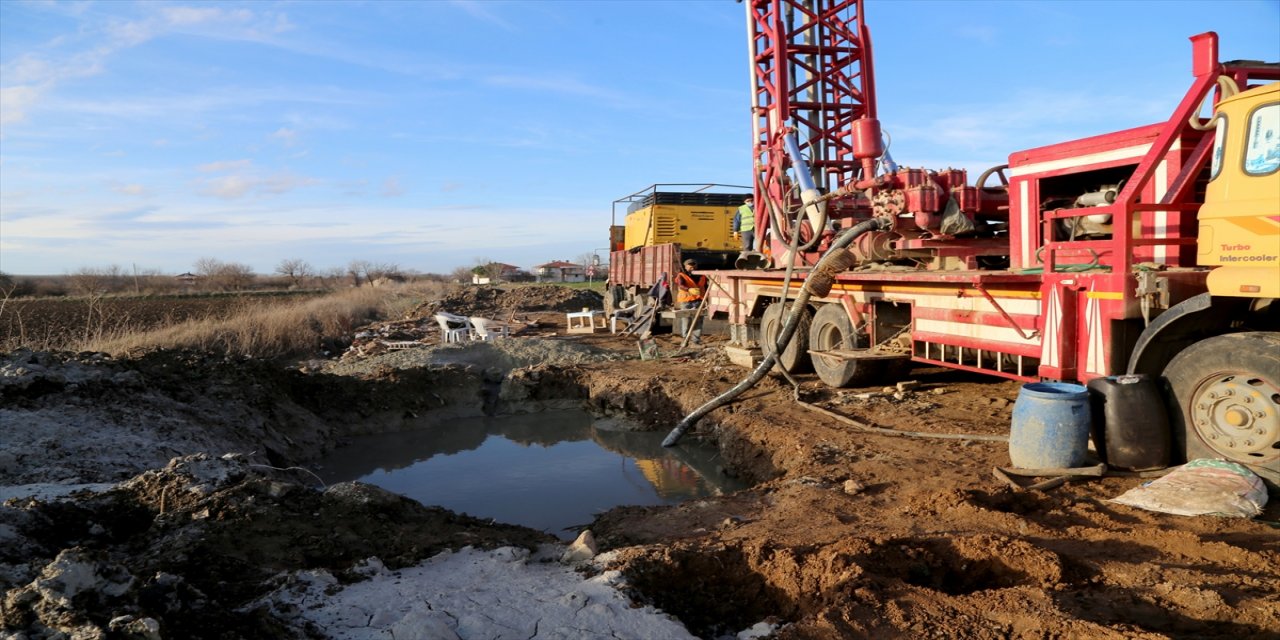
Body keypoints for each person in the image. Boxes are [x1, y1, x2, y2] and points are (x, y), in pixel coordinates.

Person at [674, 259, 708, 344]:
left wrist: (707, 299)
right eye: (690, 265)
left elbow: (706, 287)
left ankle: (695, 340)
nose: (692, 267)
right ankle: (686, 339)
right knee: (686, 320)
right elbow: (680, 285)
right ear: (685, 266)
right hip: (686, 301)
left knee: (698, 321)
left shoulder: (702, 275)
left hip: (699, 300)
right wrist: (689, 289)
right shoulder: (681, 275)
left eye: (694, 265)